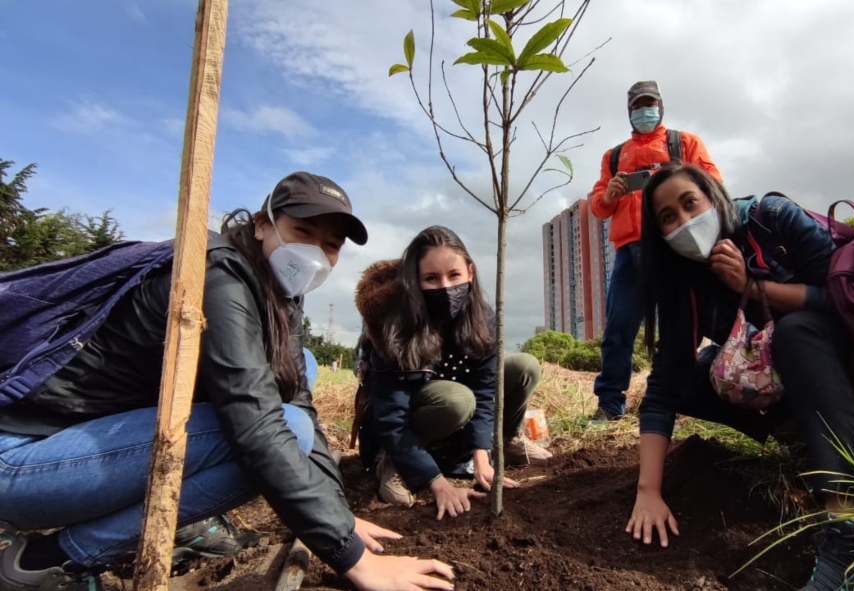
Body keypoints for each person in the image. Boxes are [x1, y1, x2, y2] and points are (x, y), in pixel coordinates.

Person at [0, 172, 455, 591]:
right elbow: (255, 423)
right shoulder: (218, 274)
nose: (316, 254)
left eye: (331, 245)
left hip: (79, 446)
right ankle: (52, 557)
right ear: (262, 225)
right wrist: (352, 558)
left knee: (301, 376)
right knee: (285, 432)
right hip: (22, 460)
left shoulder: (279, 295)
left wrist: (337, 512)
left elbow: (299, 394)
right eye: (303, 233)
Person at [625, 163, 854, 591]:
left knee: (795, 333)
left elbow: (848, 298)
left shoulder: (770, 219)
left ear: (712, 197)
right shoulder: (684, 279)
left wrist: (752, 287)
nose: (684, 222)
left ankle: (848, 521)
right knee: (694, 371)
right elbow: (665, 385)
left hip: (847, 367)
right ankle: (797, 434)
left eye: (690, 204)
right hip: (780, 382)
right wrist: (648, 489)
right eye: (668, 218)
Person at [354, 225, 551, 519]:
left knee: (523, 367)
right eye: (431, 278)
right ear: (414, 282)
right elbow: (390, 415)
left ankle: (504, 442)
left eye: (454, 276)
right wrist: (437, 484)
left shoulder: (482, 317)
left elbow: (487, 391)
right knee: (457, 400)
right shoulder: (393, 324)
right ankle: (395, 462)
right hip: (405, 425)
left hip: (459, 418)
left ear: (470, 272)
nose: (445, 287)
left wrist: (482, 456)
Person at [589, 80, 724, 421]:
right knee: (619, 329)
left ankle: (675, 397)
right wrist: (611, 195)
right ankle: (609, 405)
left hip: (677, 244)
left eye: (649, 104)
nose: (644, 111)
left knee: (684, 322)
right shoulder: (614, 156)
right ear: (629, 112)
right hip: (630, 251)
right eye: (637, 106)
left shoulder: (685, 142)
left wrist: (677, 177)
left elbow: (715, 185)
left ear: (660, 106)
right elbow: (597, 207)